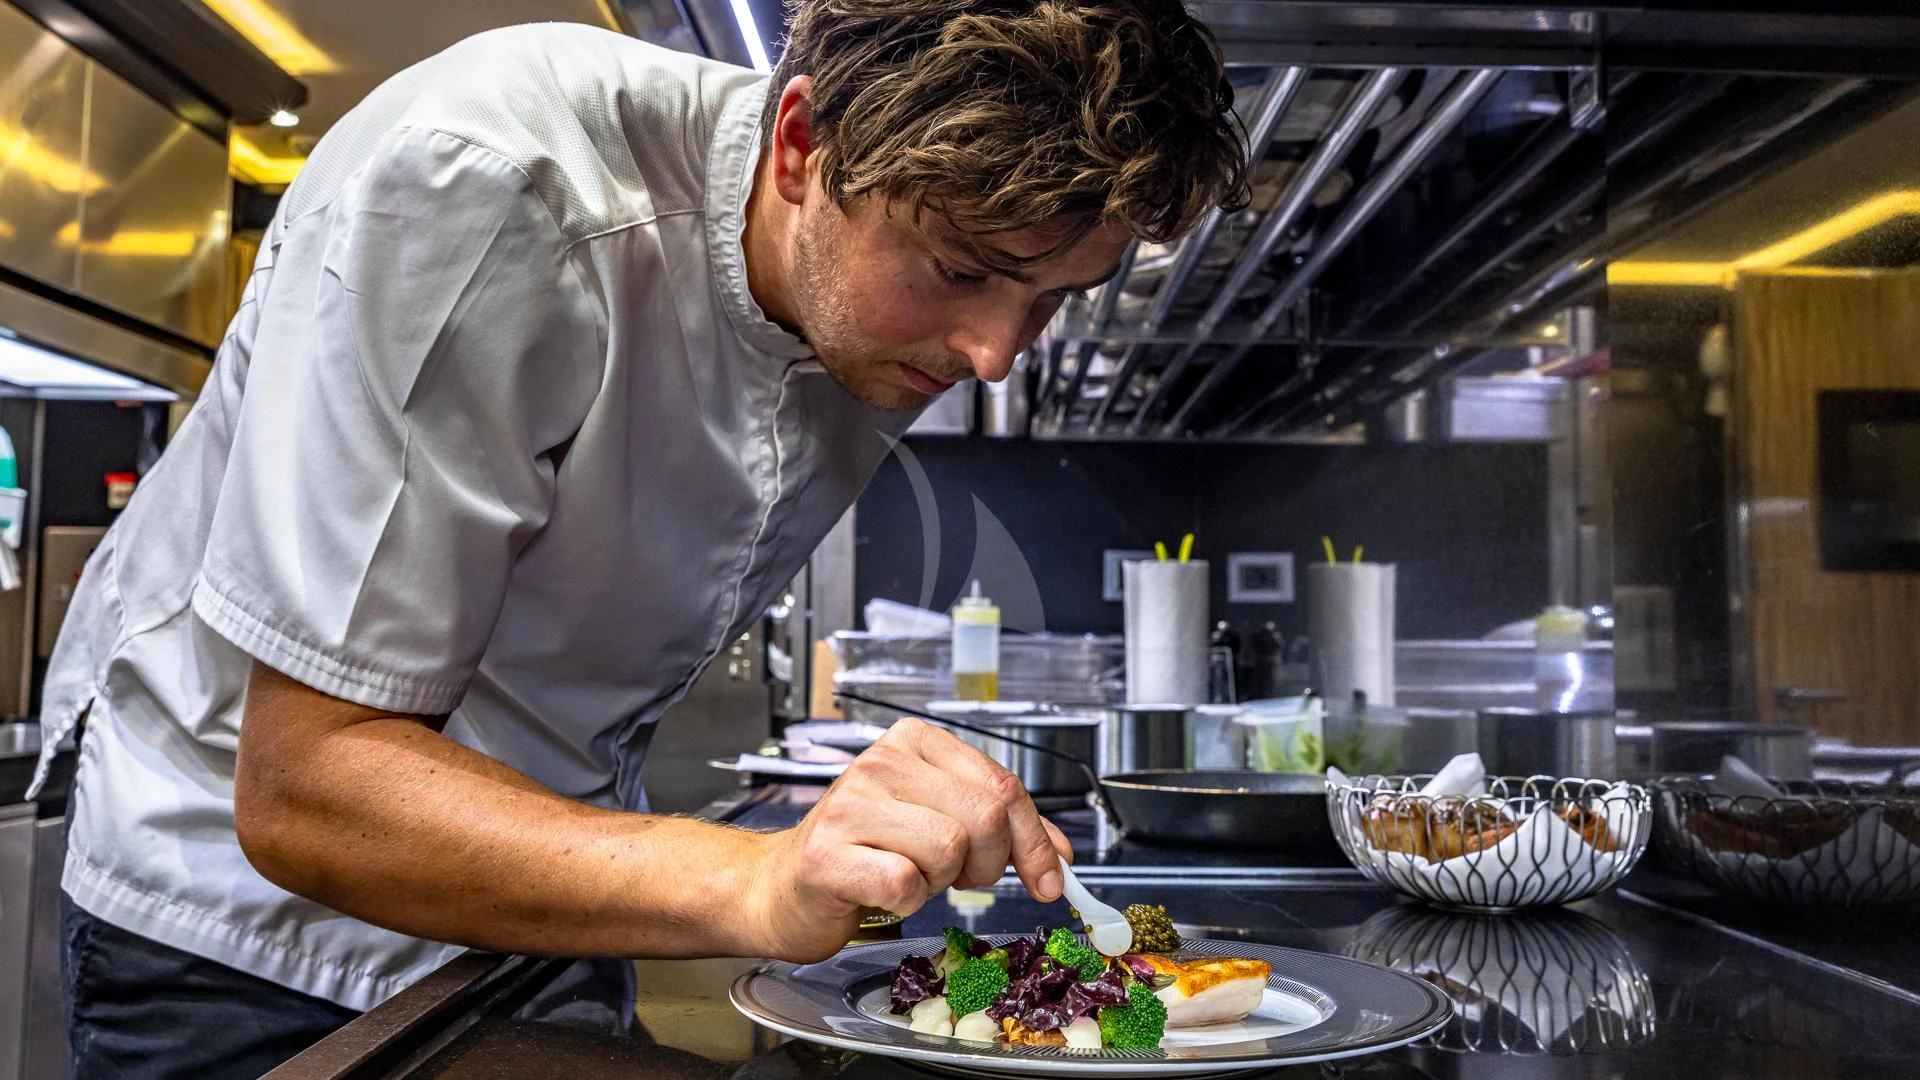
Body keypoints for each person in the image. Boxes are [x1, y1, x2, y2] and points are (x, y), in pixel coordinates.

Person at [29, 0, 1247, 1074]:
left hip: (537, 918)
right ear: (799, 147)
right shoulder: (486, 184)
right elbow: (306, 782)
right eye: (961, 271)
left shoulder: (868, 286)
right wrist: (760, 878)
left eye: (1051, 300)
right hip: (247, 948)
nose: (993, 355)